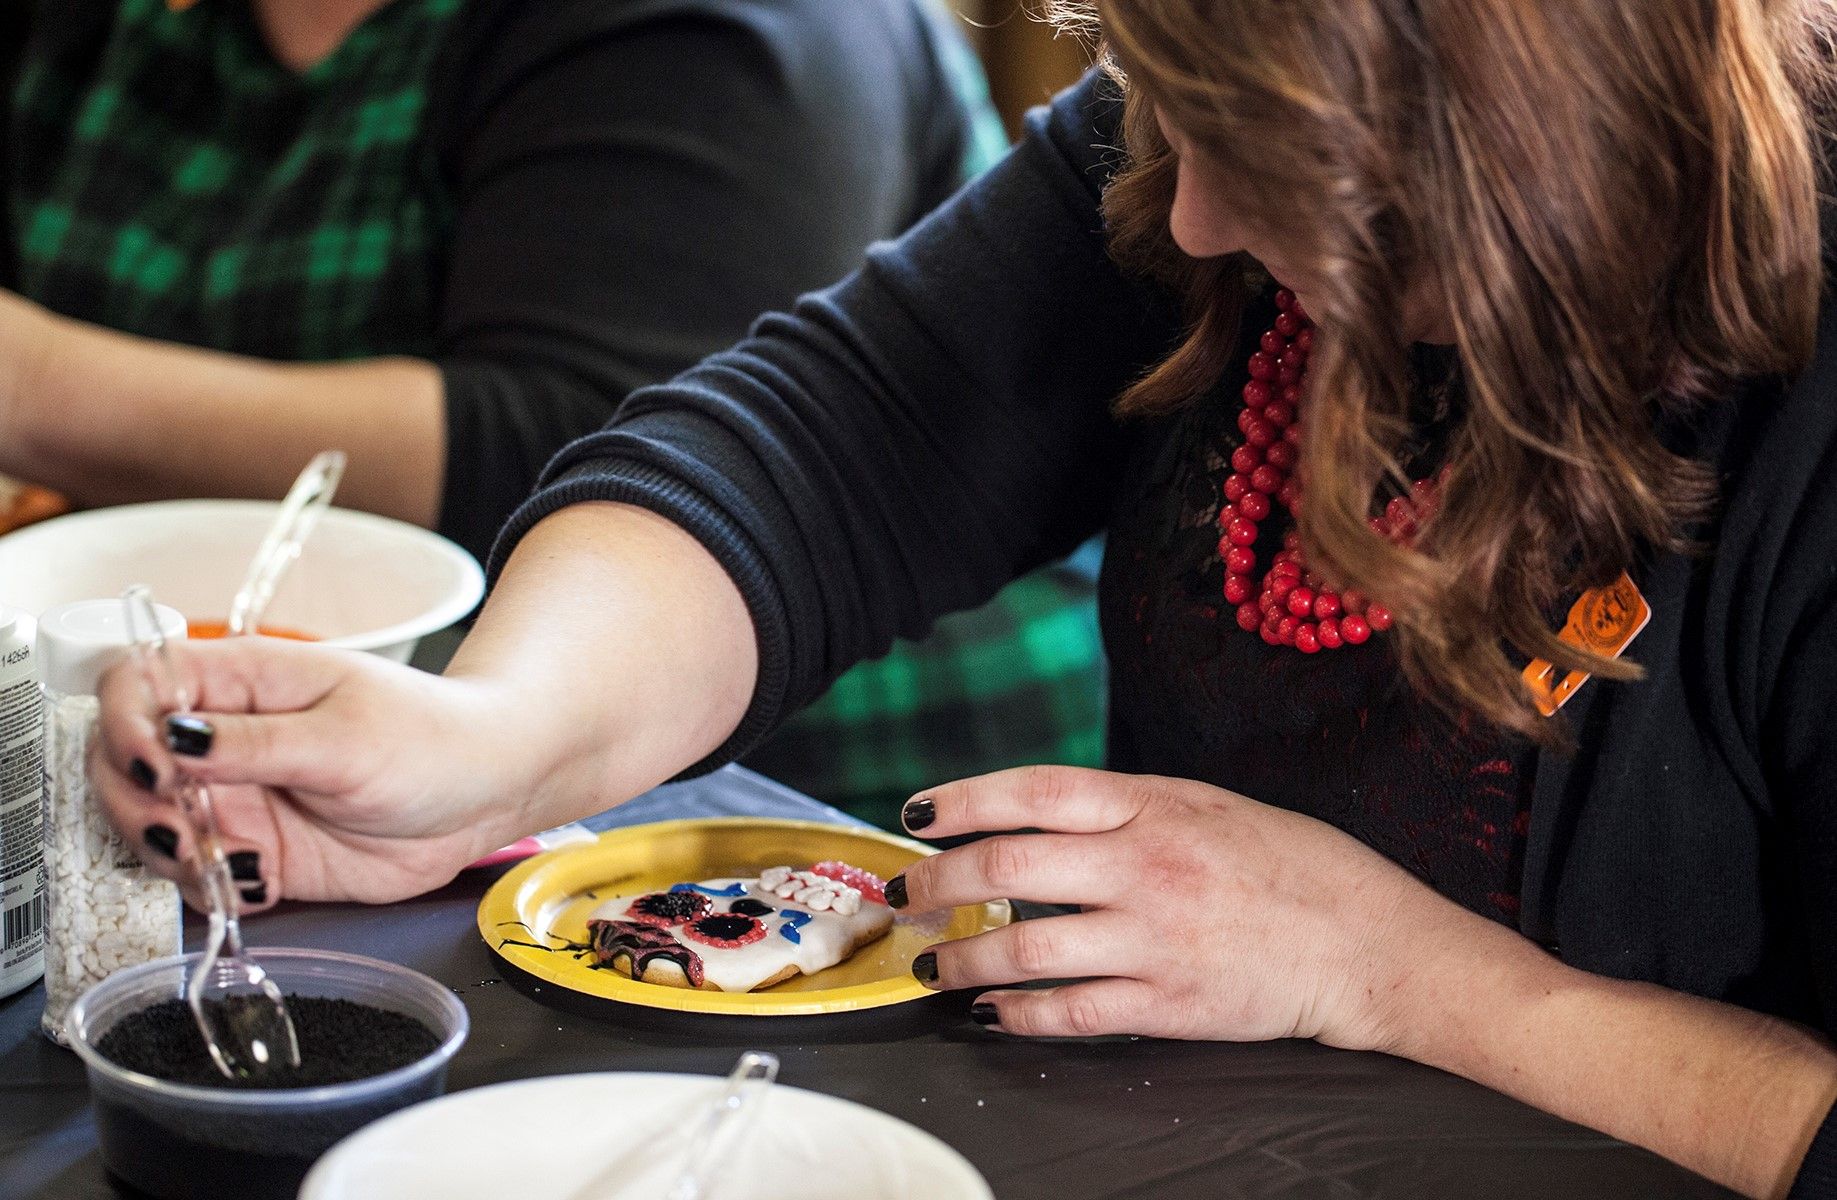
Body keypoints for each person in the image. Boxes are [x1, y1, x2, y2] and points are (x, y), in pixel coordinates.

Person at [93, 0, 1837, 1194]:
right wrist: (496, 739)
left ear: (1535, 133)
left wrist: (1400, 977)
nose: (1203, 215)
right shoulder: (1224, 136)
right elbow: (831, 442)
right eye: (1171, 105)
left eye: (1292, 171)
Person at [0, 0, 1105, 823]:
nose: (1192, 219)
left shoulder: (731, 26)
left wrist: (33, 386)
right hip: (353, 749)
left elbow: (577, 435)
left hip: (789, 799)